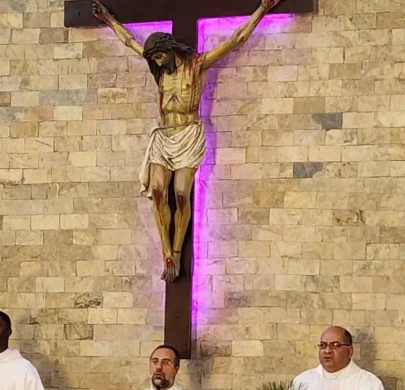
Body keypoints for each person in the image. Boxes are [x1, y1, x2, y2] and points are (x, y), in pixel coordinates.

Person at [92, 0, 281, 282]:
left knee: (181, 194)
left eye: (158, 57)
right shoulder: (159, 71)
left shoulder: (197, 65)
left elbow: (236, 39)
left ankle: (178, 250)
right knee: (157, 191)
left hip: (188, 135)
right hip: (164, 136)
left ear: (169, 50)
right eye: (153, 59)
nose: (155, 62)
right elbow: (130, 41)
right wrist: (108, 19)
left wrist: (263, 9)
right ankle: (166, 252)